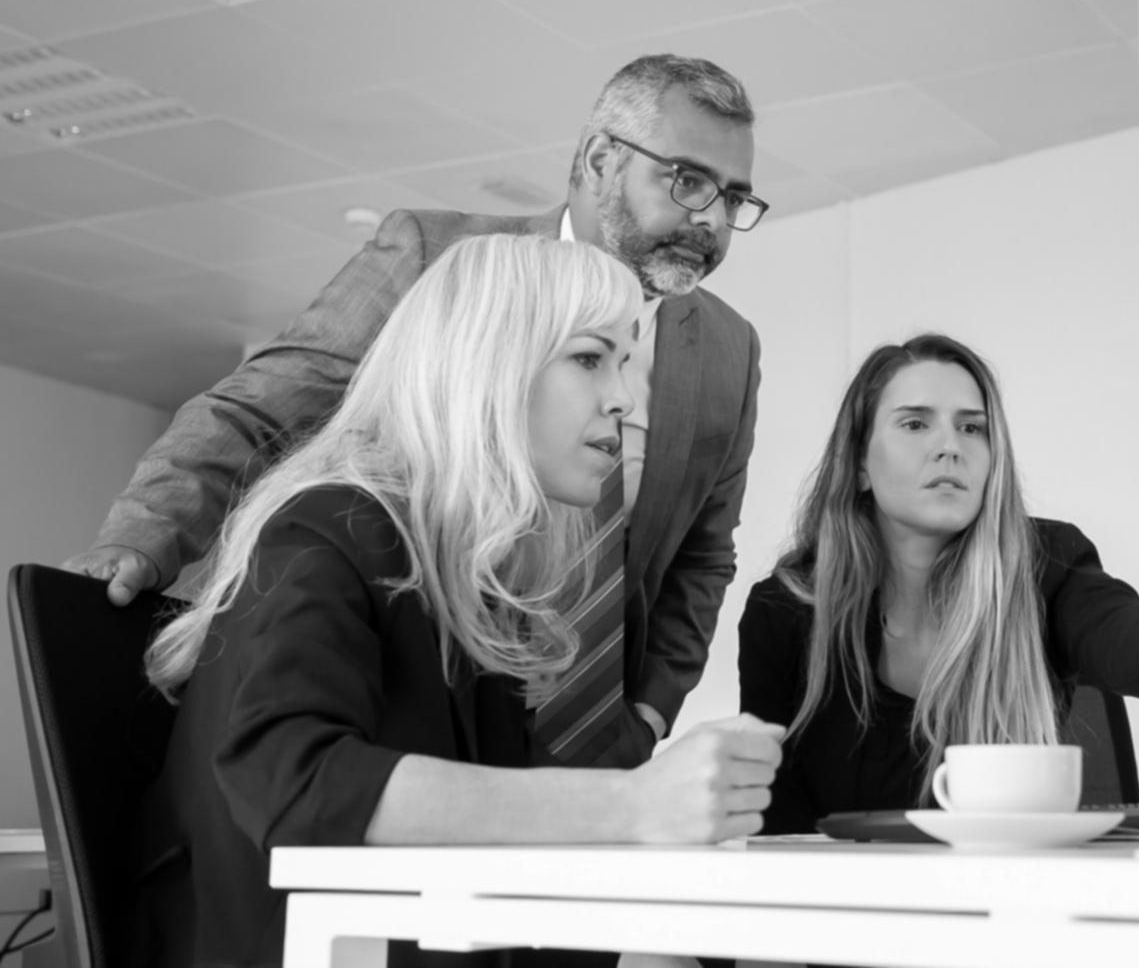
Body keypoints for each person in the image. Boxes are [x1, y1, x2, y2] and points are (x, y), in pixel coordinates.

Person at [64, 54, 768, 763]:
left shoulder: (728, 350)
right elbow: (257, 412)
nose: (711, 221)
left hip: (583, 740)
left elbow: (702, 557)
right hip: (403, 709)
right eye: (686, 181)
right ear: (598, 160)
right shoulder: (442, 261)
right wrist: (140, 537)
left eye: (733, 199)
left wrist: (647, 715)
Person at [131, 234, 784, 968]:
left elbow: (506, 807)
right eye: (590, 357)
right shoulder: (328, 527)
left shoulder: (467, 581)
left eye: (625, 364)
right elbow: (297, 783)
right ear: (491, 361)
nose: (624, 399)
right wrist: (634, 805)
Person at [738, 334, 1139, 835]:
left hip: (1013, 906)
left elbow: (1119, 627)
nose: (950, 447)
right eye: (915, 424)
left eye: (972, 428)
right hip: (841, 913)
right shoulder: (784, 608)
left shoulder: (1045, 564)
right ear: (858, 461)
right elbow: (773, 822)